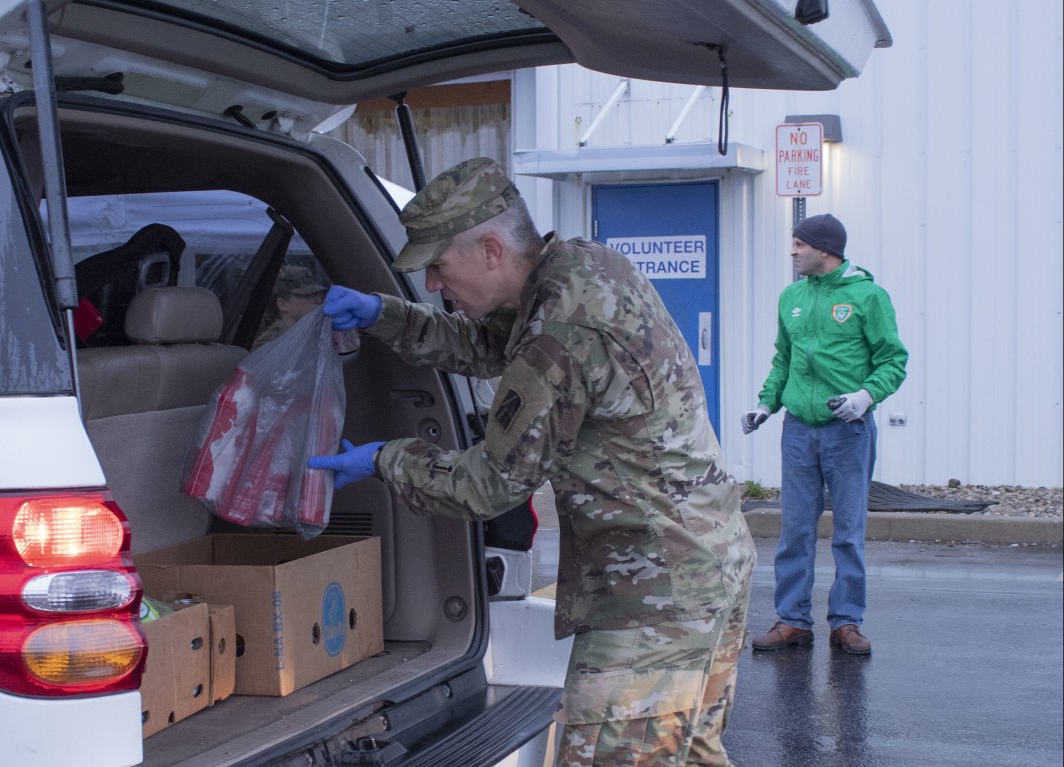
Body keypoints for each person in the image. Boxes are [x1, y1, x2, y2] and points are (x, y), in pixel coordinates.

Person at [309, 158, 755, 767]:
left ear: (491, 249)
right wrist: (387, 316)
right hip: (702, 565)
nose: (434, 283)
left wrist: (387, 460)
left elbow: (492, 483)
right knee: (689, 755)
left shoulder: (561, 331)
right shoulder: (578, 268)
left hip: (654, 596)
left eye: (439, 266)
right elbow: (491, 344)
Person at [741, 213, 908, 656]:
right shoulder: (791, 297)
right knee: (795, 530)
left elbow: (893, 361)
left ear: (825, 250)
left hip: (847, 431)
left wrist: (866, 397)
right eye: (793, 244)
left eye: (799, 244)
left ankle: (847, 622)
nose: (793, 251)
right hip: (798, 429)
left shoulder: (868, 297)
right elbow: (784, 359)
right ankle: (792, 620)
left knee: (848, 532)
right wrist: (766, 403)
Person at [252, 264, 329, 349]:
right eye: (308, 294)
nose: (319, 300)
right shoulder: (270, 346)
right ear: (283, 304)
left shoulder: (316, 332)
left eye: (317, 294)